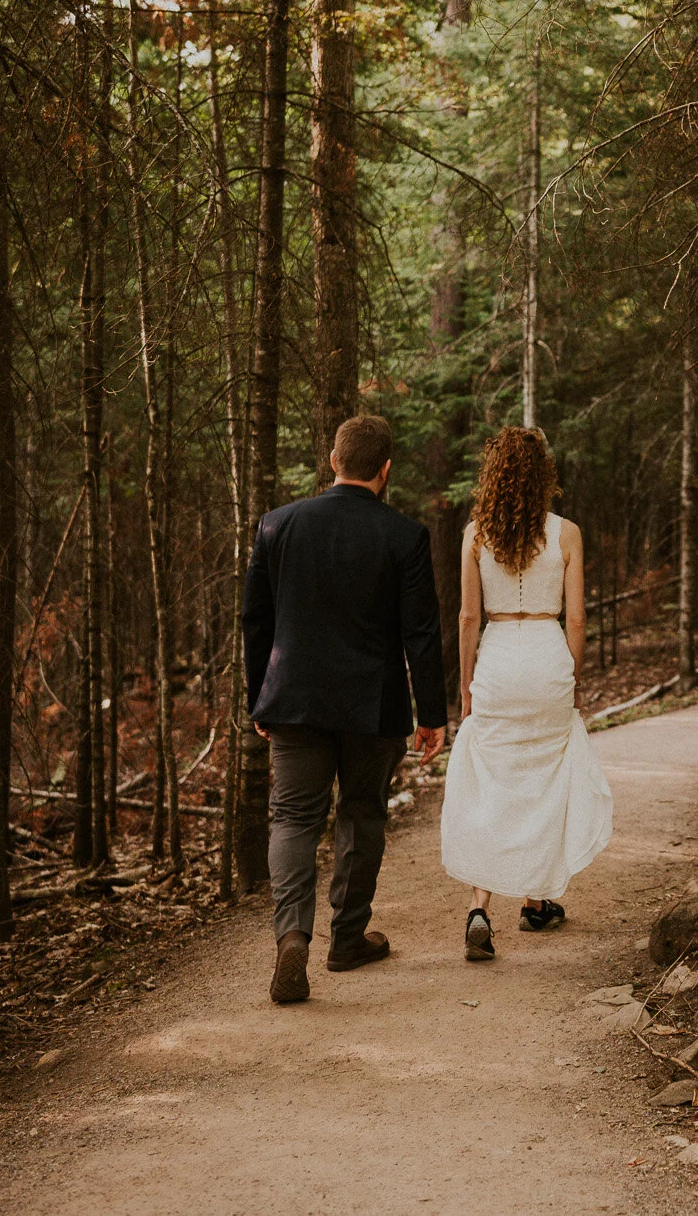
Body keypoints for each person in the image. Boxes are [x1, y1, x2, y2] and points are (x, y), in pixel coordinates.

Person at [243, 415, 448, 1005]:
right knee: (361, 813)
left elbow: (256, 620)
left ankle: (292, 937)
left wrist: (261, 694)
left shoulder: (278, 525)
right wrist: (430, 713)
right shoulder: (403, 536)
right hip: (372, 703)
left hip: (294, 701)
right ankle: (348, 939)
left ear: (333, 461)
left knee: (293, 819)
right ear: (385, 470)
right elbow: (422, 633)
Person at [441, 427, 613, 961]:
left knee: (490, 779)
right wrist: (572, 675)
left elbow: (469, 616)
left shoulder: (475, 534)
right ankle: (537, 901)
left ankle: (480, 908)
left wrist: (467, 687)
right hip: (546, 655)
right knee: (545, 779)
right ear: (545, 475)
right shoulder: (566, 533)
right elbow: (578, 618)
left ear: (492, 476)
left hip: (496, 657)